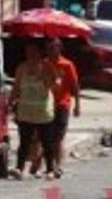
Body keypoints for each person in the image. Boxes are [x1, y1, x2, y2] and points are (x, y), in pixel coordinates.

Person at [30, 38, 81, 178]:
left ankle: (58, 166)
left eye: (53, 47)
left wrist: (77, 105)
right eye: (48, 48)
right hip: (45, 104)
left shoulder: (67, 65)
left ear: (60, 48)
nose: (51, 51)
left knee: (58, 137)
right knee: (42, 136)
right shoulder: (43, 64)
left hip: (62, 105)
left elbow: (75, 85)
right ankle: (38, 165)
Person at [9, 40, 57, 179]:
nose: (30, 54)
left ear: (40, 53)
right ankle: (19, 168)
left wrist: (45, 75)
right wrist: (10, 102)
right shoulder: (21, 67)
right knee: (24, 141)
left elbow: (52, 85)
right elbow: (16, 86)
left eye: (34, 51)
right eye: (28, 51)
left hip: (43, 111)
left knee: (46, 142)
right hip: (26, 111)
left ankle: (50, 169)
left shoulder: (47, 66)